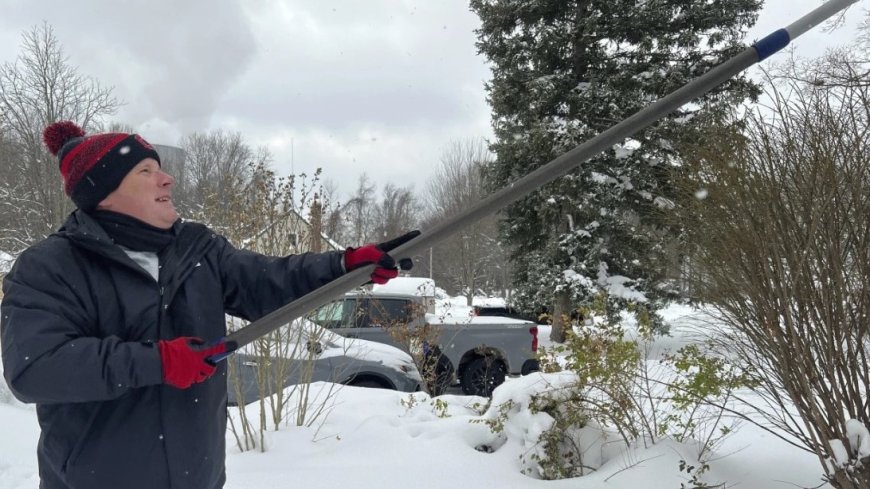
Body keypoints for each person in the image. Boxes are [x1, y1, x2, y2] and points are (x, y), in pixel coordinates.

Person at [0, 121, 416, 489]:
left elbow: (269, 281)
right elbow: (37, 367)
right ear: (104, 193)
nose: (167, 180)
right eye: (146, 171)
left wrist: (343, 266)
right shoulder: (51, 266)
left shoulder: (197, 250)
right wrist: (158, 362)